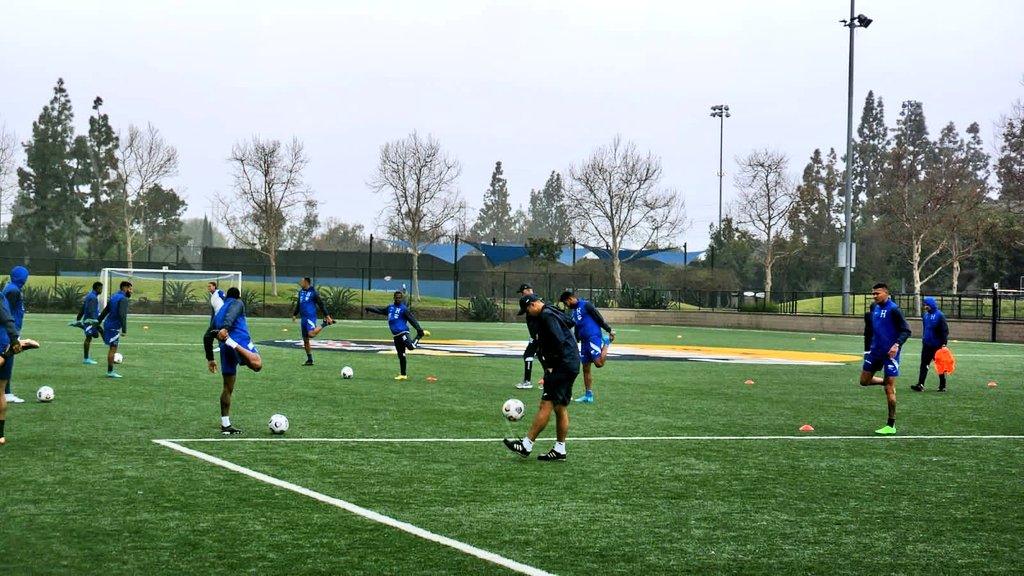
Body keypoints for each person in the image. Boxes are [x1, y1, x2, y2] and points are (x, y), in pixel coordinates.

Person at [503, 293, 581, 461]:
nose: (528, 315)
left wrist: (551, 364)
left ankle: (526, 445)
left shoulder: (546, 315)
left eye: (527, 310)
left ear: (533, 305)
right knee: (560, 407)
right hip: (572, 363)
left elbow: (558, 340)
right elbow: (570, 322)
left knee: (545, 404)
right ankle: (560, 449)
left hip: (562, 364)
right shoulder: (552, 310)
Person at [205, 287, 262, 435]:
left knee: (227, 388)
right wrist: (226, 329)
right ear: (238, 297)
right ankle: (232, 342)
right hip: (237, 341)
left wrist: (210, 359)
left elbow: (207, 336)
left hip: (224, 349)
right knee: (257, 364)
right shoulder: (238, 303)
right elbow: (233, 312)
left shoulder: (219, 313)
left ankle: (225, 425)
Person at [860, 283, 912, 435]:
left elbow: (906, 330)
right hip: (875, 352)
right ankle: (886, 380)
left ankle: (891, 424)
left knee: (889, 389)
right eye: (873, 293)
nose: (874, 296)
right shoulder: (874, 308)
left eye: (877, 293)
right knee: (864, 381)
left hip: (890, 355)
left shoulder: (894, 310)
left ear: (886, 293)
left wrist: (896, 345)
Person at [559, 290, 615, 403]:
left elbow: (598, 317)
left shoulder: (586, 304)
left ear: (570, 299)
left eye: (566, 303)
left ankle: (607, 343)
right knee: (585, 368)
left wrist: (609, 330)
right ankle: (588, 395)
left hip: (593, 337)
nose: (566, 305)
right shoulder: (573, 312)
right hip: (584, 341)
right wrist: (574, 342)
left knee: (599, 363)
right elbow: (577, 328)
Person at [0, 295, 38, 446]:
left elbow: (6, 317)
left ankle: (10, 352)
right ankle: (0, 435)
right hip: (4, 341)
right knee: (0, 391)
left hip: (3, 342)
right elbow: (7, 317)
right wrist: (14, 339)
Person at [365, 290, 428, 381]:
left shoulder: (404, 309)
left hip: (403, 333)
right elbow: (380, 310)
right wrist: (369, 308)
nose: (398, 299)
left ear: (401, 299)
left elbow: (412, 320)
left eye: (399, 298)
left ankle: (420, 336)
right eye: (396, 297)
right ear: (394, 298)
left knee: (411, 347)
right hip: (396, 336)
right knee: (401, 355)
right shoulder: (390, 308)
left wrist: (419, 330)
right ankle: (403, 375)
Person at [292, 277, 334, 366]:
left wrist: (327, 316)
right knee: (305, 340)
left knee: (311, 334)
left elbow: (321, 304)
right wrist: (295, 314)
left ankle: (325, 323)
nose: (301, 283)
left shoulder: (313, 293)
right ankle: (310, 360)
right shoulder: (301, 292)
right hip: (303, 318)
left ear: (306, 282)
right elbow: (299, 304)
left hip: (310, 317)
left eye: (302, 281)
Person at [2, 266, 29, 403]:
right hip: (8, 332)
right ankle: (6, 393)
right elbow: (6, 311)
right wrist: (12, 333)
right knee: (6, 361)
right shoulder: (13, 290)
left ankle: (6, 392)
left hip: (10, 331)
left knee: (7, 361)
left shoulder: (13, 288)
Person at [913, 296, 950, 392]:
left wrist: (944, 344)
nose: (926, 307)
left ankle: (942, 385)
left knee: (940, 365)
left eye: (927, 305)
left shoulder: (939, 315)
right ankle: (920, 384)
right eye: (925, 305)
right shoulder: (925, 316)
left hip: (937, 345)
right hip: (926, 345)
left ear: (932, 305)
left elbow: (945, 331)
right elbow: (926, 329)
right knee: (924, 364)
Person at [97, 281, 132, 378]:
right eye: (130, 289)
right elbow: (122, 314)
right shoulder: (123, 299)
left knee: (110, 344)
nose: (131, 291)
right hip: (114, 326)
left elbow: (106, 310)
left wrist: (98, 321)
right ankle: (110, 371)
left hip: (108, 323)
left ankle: (100, 329)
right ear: (124, 288)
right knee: (113, 348)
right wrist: (124, 329)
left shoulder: (114, 296)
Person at [516, 283, 542, 389]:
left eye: (522, 292)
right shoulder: (534, 300)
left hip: (539, 335)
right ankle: (529, 381)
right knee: (535, 355)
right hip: (535, 335)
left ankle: (529, 381)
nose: (522, 294)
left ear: (527, 290)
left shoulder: (535, 303)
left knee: (541, 356)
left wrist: (538, 333)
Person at [70, 282, 104, 364]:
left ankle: (81, 325)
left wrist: (78, 318)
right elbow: (91, 310)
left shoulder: (90, 296)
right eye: (101, 288)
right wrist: (96, 323)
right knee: (89, 338)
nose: (102, 290)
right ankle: (86, 359)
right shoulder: (93, 298)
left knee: (96, 335)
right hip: (90, 321)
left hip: (89, 320)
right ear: (97, 288)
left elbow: (83, 307)